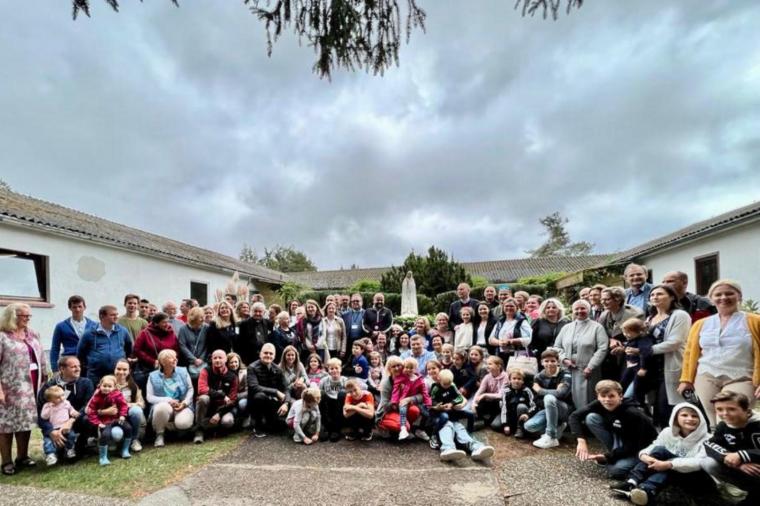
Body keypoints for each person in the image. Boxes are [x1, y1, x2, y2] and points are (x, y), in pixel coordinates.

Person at [678, 279, 760, 426]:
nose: (723, 297)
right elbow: (689, 354)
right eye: (718, 294)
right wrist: (686, 380)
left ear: (739, 296)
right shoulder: (700, 324)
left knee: (730, 420)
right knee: (712, 422)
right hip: (706, 376)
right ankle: (717, 441)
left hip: (741, 377)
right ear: (711, 298)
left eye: (729, 293)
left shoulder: (754, 321)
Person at [611, 403, 711, 506]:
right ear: (676, 418)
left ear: (701, 419)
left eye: (695, 416)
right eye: (684, 415)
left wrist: (669, 464)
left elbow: (698, 462)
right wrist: (644, 455)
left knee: (670, 468)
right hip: (664, 465)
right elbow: (655, 445)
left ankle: (646, 490)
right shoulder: (667, 432)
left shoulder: (707, 439)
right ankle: (632, 482)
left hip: (689, 473)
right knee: (659, 450)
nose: (690, 419)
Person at [570, 380, 658, 480]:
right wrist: (581, 440)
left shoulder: (632, 413)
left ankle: (641, 467)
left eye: (611, 396)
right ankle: (615, 455)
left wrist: (607, 457)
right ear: (598, 397)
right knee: (591, 418)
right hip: (622, 438)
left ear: (620, 396)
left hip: (641, 447)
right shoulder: (600, 403)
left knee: (616, 470)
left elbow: (634, 446)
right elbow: (574, 416)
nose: (607, 400)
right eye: (603, 396)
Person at [0, 303, 47, 475]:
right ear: (13, 316)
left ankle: (22, 456)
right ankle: (6, 461)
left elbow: (41, 356)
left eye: (29, 315)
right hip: (9, 386)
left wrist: (45, 378)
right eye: (24, 315)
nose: (28, 318)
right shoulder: (3, 337)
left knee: (25, 422)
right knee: (6, 425)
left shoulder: (32, 334)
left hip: (31, 384)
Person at [637, 283, 691, 427]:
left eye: (660, 294)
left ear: (672, 297)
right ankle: (660, 436)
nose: (655, 297)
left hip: (670, 366)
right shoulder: (650, 318)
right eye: (652, 295)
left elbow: (675, 342)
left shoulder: (680, 315)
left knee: (669, 407)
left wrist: (647, 351)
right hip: (652, 368)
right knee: (654, 407)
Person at [702, 391, 760, 506]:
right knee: (708, 463)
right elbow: (709, 445)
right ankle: (752, 491)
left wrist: (741, 455)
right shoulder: (723, 426)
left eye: (731, 409)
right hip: (746, 469)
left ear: (746, 410)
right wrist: (736, 462)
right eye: (719, 409)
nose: (725, 414)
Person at [553, 300, 609, 410]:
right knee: (566, 397)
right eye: (576, 309)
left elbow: (603, 349)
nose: (579, 311)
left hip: (587, 370)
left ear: (589, 310)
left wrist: (591, 367)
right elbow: (557, 347)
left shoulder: (597, 327)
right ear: (572, 311)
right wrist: (564, 359)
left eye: (583, 308)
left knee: (587, 400)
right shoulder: (566, 328)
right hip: (567, 369)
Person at [36, 356, 94, 460]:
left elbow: (88, 406)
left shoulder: (86, 383)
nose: (78, 369)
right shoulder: (48, 387)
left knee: (88, 418)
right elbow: (40, 414)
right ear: (62, 369)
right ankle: (56, 449)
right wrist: (51, 431)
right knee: (60, 453)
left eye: (79, 366)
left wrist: (71, 421)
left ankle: (80, 446)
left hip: (76, 421)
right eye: (73, 367)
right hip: (56, 425)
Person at [525, 349, 573, 449]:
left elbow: (561, 394)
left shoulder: (565, 374)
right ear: (541, 362)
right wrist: (553, 392)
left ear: (558, 362)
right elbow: (537, 399)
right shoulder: (538, 377)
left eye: (552, 361)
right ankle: (558, 426)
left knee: (549, 398)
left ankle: (551, 436)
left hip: (564, 408)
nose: (549, 363)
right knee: (529, 426)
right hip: (547, 408)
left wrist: (540, 390)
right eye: (546, 361)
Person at [146, 349, 194, 448]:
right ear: (163, 362)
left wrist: (184, 403)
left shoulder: (183, 371)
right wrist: (167, 400)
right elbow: (149, 397)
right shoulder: (152, 376)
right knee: (161, 407)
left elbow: (190, 389)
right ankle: (160, 434)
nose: (175, 359)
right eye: (171, 358)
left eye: (175, 357)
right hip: (165, 407)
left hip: (182, 405)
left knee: (183, 424)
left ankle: (172, 429)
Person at [77, 304, 133, 385]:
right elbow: (80, 353)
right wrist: (92, 365)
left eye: (116, 314)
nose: (116, 317)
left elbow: (129, 348)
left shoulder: (122, 331)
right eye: (112, 315)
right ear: (102, 316)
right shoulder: (89, 333)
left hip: (117, 374)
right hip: (95, 375)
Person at [598, 287, 644, 381]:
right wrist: (610, 340)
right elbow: (600, 334)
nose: (603, 302)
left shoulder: (635, 314)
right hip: (610, 356)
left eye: (607, 299)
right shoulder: (604, 314)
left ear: (618, 300)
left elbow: (641, 337)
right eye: (602, 299)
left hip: (631, 356)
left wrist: (624, 347)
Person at [86, 375, 132, 465]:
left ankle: (124, 450)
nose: (106, 388)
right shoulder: (96, 397)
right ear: (100, 385)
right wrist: (97, 423)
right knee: (105, 435)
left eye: (109, 386)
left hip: (117, 418)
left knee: (128, 428)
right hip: (105, 421)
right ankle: (103, 457)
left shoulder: (118, 394)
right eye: (104, 386)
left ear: (114, 387)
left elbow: (123, 405)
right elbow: (91, 411)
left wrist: (122, 415)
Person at [194, 349, 238, 444]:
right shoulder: (205, 371)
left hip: (223, 408)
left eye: (220, 358)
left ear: (226, 359)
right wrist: (221, 395)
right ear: (212, 359)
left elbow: (233, 399)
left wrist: (219, 413)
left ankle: (212, 428)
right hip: (208, 406)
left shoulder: (232, 376)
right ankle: (199, 431)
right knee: (203, 398)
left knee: (228, 421)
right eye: (215, 358)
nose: (217, 360)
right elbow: (201, 389)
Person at [247, 343, 290, 437]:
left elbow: (286, 388)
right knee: (260, 396)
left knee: (281, 427)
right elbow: (254, 387)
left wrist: (286, 403)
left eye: (271, 353)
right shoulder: (252, 367)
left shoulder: (278, 369)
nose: (268, 355)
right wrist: (275, 392)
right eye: (265, 353)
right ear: (260, 354)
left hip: (272, 402)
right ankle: (257, 425)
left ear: (274, 356)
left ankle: (270, 421)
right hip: (256, 402)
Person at [133, 312, 181, 393]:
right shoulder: (145, 333)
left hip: (167, 367)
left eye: (168, 322)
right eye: (164, 322)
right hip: (149, 368)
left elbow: (176, 349)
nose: (167, 324)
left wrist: (171, 360)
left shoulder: (171, 333)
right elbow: (137, 349)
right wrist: (152, 361)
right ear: (156, 323)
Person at [50, 294, 98, 367]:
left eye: (80, 306)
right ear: (70, 308)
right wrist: (54, 368)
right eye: (74, 307)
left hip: (89, 364)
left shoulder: (94, 326)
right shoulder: (61, 326)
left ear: (84, 307)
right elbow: (55, 349)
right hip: (70, 364)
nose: (77, 309)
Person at [391, 357, 431, 441]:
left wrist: (428, 402)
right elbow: (395, 391)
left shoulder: (419, 379)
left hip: (415, 401)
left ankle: (420, 429)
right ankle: (403, 428)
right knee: (403, 410)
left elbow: (424, 392)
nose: (408, 369)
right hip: (402, 400)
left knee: (426, 413)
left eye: (411, 368)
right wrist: (394, 402)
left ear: (415, 369)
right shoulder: (401, 378)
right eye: (406, 367)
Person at [39, 385, 79, 465]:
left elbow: (71, 410)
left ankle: (69, 449)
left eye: (62, 395)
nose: (61, 398)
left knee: (71, 436)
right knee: (48, 441)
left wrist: (74, 413)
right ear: (50, 399)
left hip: (65, 426)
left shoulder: (66, 403)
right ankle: (50, 454)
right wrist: (49, 408)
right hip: (54, 428)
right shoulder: (47, 406)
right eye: (57, 397)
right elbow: (44, 416)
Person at [619, 318, 653, 407]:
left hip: (638, 367)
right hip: (631, 366)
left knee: (637, 388)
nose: (625, 335)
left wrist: (643, 368)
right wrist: (622, 349)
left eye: (628, 333)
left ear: (639, 332)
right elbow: (628, 346)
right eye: (624, 332)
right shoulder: (632, 339)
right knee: (622, 383)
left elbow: (646, 353)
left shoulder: (643, 340)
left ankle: (639, 404)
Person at [113, 359, 145, 453]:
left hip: (129, 417)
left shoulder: (133, 386)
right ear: (114, 369)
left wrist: (128, 405)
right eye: (118, 369)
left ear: (129, 371)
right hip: (114, 417)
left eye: (124, 370)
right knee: (116, 435)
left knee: (136, 411)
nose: (121, 372)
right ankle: (115, 442)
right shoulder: (108, 384)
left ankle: (134, 439)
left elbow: (141, 404)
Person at [489, 298, 532, 366]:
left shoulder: (522, 321)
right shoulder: (500, 322)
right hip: (501, 355)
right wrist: (499, 342)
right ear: (503, 308)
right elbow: (491, 339)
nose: (509, 308)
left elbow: (528, 339)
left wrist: (511, 341)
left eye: (511, 306)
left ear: (517, 308)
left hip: (518, 355)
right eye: (506, 306)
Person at [498, 369, 536, 438]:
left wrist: (528, 414)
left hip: (523, 415)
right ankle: (511, 426)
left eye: (519, 379)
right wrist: (506, 424)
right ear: (510, 380)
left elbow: (533, 406)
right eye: (514, 378)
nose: (516, 381)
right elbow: (504, 408)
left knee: (521, 406)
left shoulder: (527, 390)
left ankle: (520, 428)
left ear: (523, 381)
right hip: (510, 415)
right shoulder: (506, 391)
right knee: (496, 425)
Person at [472, 355, 507, 430]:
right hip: (490, 401)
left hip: (500, 403)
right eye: (487, 364)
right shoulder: (487, 377)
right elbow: (480, 391)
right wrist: (474, 404)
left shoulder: (505, 377)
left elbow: (501, 395)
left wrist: (485, 395)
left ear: (498, 366)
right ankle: (480, 419)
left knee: (495, 425)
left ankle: (489, 421)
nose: (487, 366)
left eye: (490, 364)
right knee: (478, 400)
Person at [319, 357, 347, 442]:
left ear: (340, 369)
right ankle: (326, 428)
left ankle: (336, 429)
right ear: (328, 370)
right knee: (321, 393)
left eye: (336, 368)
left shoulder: (344, 380)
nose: (334, 370)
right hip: (328, 402)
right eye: (331, 368)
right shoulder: (324, 380)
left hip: (339, 404)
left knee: (342, 393)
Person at [177, 307, 208, 382]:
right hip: (187, 362)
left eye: (203, 317)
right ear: (193, 318)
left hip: (203, 361)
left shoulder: (206, 327)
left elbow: (208, 345)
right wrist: (193, 359)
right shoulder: (183, 329)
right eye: (200, 317)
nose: (202, 319)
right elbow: (182, 345)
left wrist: (201, 358)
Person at [238, 302, 269, 366]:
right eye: (255, 311)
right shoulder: (244, 324)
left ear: (263, 312)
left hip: (264, 355)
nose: (257, 313)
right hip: (249, 357)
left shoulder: (267, 323)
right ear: (251, 311)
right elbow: (240, 342)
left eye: (260, 311)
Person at [227, 352, 248, 426]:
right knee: (233, 412)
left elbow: (248, 391)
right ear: (227, 363)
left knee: (242, 404)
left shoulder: (245, 373)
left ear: (239, 362)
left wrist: (235, 397)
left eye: (236, 362)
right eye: (231, 362)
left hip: (242, 398)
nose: (234, 364)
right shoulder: (225, 373)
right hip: (230, 401)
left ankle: (246, 417)